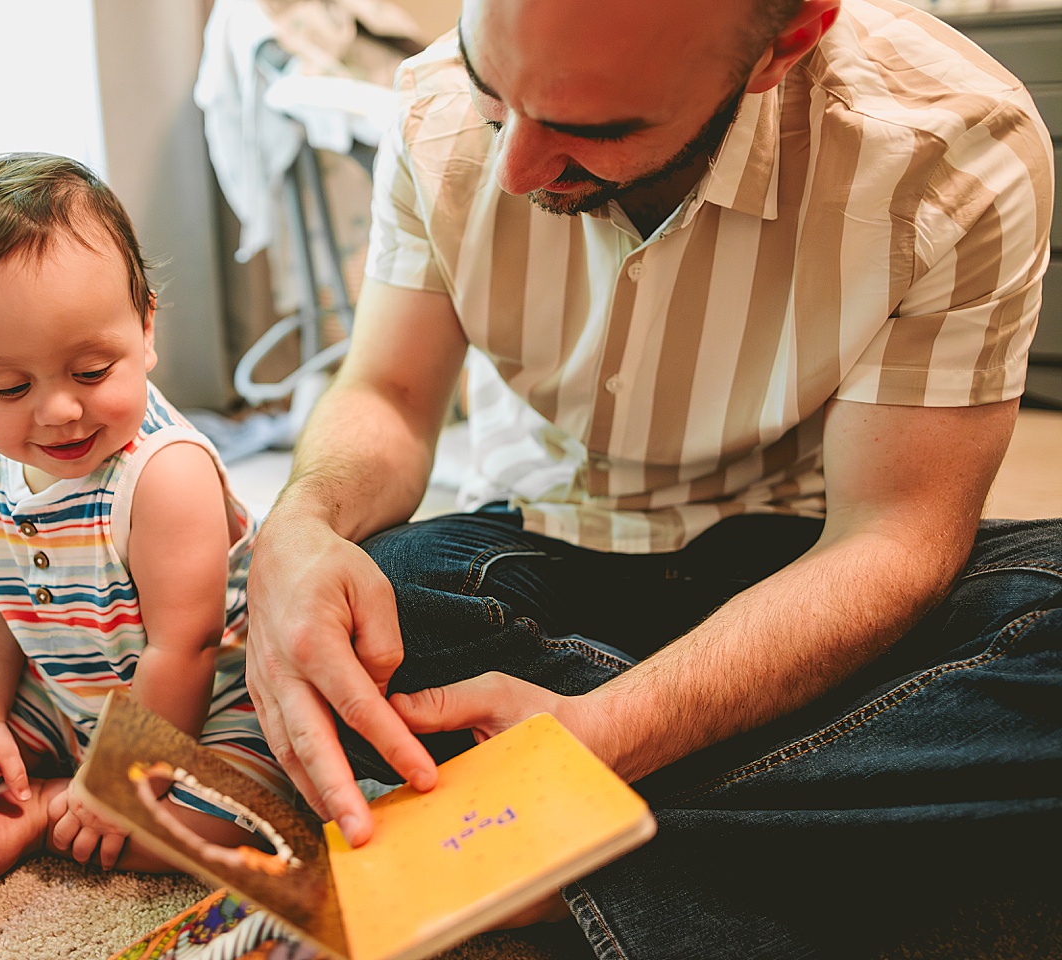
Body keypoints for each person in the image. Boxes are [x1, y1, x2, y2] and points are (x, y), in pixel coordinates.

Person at [245, 0, 1059, 955]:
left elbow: (895, 533)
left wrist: (610, 731)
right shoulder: (431, 111)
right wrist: (299, 527)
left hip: (812, 567)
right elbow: (386, 392)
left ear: (785, 43)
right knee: (380, 607)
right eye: (491, 93)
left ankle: (567, 840)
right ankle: (813, 828)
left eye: (597, 129)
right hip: (545, 553)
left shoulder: (953, 141)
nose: (513, 170)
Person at [0, 153, 290, 903]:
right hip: (73, 691)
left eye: (91, 371)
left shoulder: (164, 473)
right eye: (10, 387)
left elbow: (181, 650)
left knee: (246, 822)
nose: (57, 411)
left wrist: (119, 776)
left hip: (205, 706)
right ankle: (45, 793)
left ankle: (45, 810)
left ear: (146, 329)